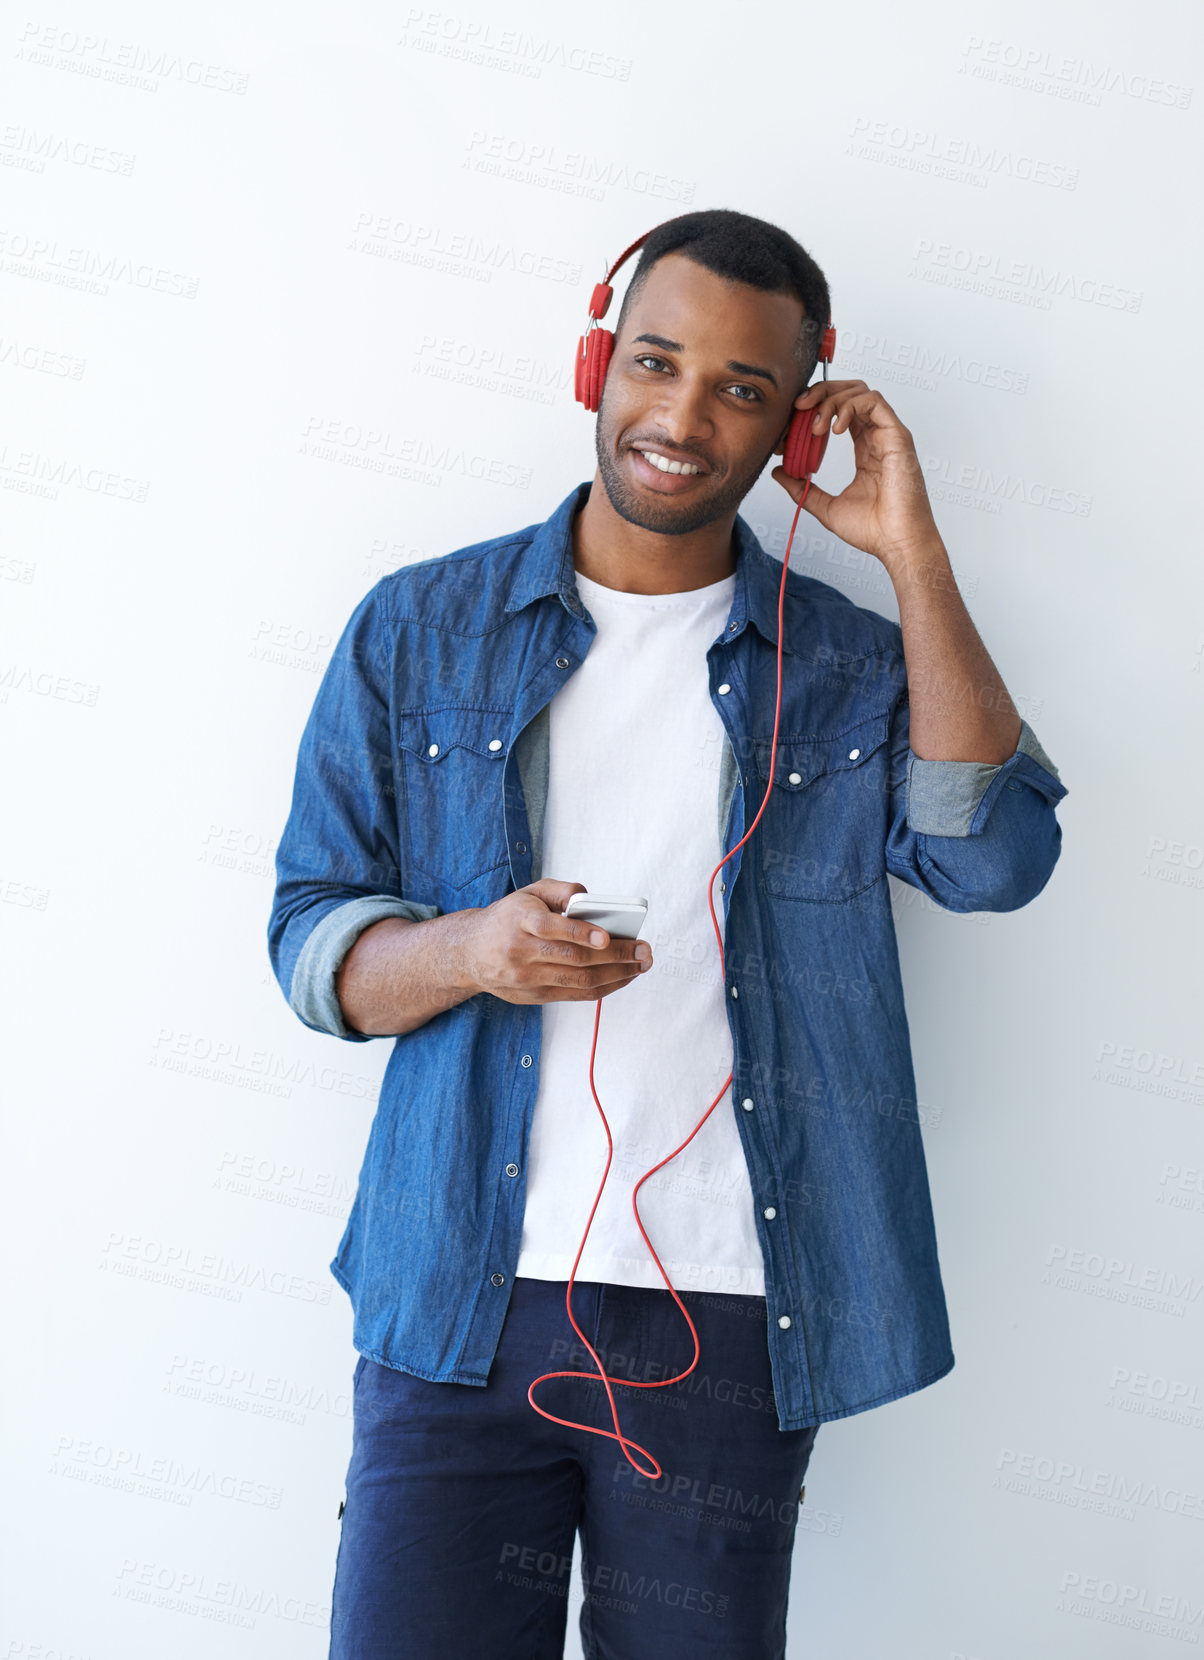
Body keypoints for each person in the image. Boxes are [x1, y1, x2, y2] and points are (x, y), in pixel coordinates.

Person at [267, 208, 1069, 1659]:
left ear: (792, 430)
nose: (683, 417)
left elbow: (994, 860)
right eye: (655, 361)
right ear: (596, 363)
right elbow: (312, 947)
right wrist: (470, 952)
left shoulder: (848, 665)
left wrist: (910, 552)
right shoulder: (419, 630)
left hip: (730, 1314)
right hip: (458, 1299)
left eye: (743, 389)